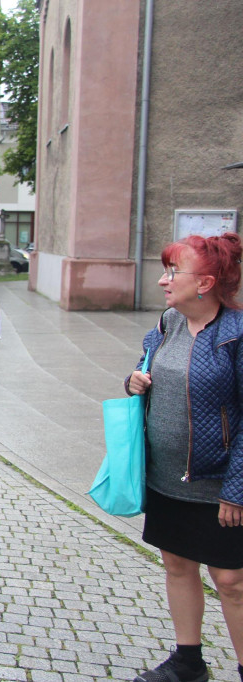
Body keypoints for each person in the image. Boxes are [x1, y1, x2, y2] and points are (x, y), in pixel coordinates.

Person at [126, 233, 243, 682]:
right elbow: (144, 364)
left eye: (174, 272)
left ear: (207, 282)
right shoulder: (169, 322)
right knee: (177, 564)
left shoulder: (236, 335)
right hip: (167, 476)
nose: (162, 281)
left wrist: (236, 491)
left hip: (221, 486)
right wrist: (134, 380)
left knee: (231, 582)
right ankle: (188, 661)